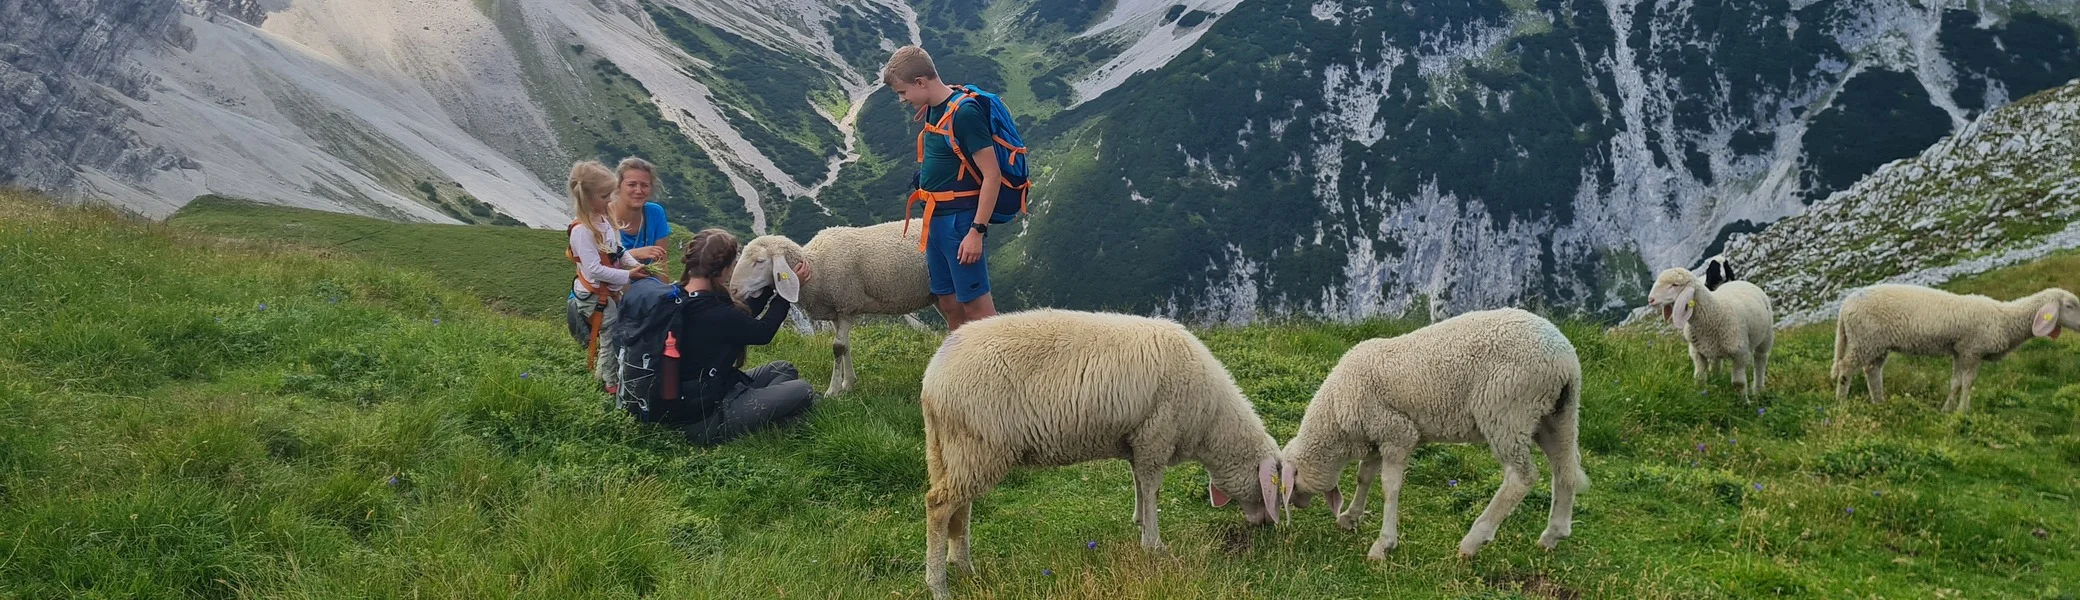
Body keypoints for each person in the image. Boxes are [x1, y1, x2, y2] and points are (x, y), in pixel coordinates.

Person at [884, 46, 1000, 331]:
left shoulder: (965, 114)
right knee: (948, 302)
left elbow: (992, 175)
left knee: (977, 308)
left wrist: (977, 231)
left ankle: (1002, 370)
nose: (902, 100)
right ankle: (959, 371)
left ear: (921, 82)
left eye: (903, 92)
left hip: (960, 223)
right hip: (935, 220)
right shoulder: (934, 108)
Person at [671, 228, 817, 445]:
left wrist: (771, 286)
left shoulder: (683, 295)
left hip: (708, 391)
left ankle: (762, 406)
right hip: (705, 418)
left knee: (783, 369)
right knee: (803, 390)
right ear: (725, 269)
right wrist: (785, 294)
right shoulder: (715, 312)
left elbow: (740, 316)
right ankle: (762, 417)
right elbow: (763, 331)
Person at [564, 160, 652, 393]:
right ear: (587, 198)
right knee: (610, 336)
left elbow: (618, 250)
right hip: (594, 294)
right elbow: (594, 270)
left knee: (613, 333)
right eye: (605, 196)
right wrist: (627, 276)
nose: (610, 200)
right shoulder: (582, 231)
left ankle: (603, 376)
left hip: (607, 290)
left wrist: (634, 266)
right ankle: (610, 383)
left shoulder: (604, 220)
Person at [610, 157, 671, 264]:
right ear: (618, 186)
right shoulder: (603, 216)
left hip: (646, 280)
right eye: (631, 185)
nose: (638, 191)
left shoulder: (655, 213)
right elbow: (596, 265)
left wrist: (661, 282)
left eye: (644, 185)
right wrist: (634, 254)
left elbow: (661, 265)